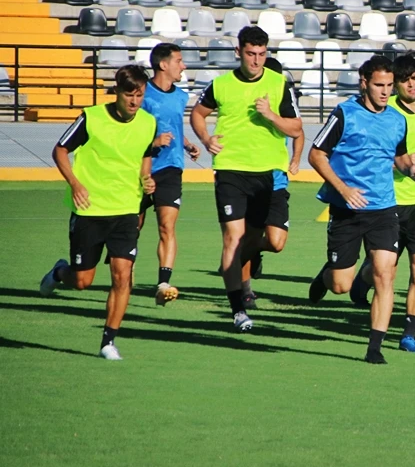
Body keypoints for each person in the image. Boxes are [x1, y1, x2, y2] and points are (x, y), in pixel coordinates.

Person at [306, 56, 415, 364]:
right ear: (364, 83)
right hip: (346, 209)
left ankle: (374, 348)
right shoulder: (345, 113)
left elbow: (396, 157)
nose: (385, 92)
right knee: (341, 285)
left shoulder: (398, 119)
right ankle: (326, 276)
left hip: (384, 208)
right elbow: (316, 155)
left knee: (385, 273)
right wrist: (343, 189)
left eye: (388, 86)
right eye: (378, 85)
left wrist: (409, 170)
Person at [189, 26, 303, 333]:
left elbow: (295, 128)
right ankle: (238, 309)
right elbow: (197, 114)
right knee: (233, 239)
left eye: (262, 54)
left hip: (268, 173)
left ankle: (245, 265)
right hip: (231, 170)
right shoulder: (221, 84)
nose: (256, 61)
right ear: (239, 52)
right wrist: (205, 138)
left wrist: (271, 116)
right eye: (251, 54)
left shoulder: (278, 84)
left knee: (267, 242)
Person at [39, 65, 157, 360]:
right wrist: (76, 184)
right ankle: (58, 272)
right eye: (129, 94)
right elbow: (60, 150)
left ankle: (108, 341)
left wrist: (147, 181)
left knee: (122, 276)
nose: (133, 101)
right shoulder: (90, 118)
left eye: (139, 95)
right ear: (117, 91)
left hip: (127, 211)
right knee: (82, 281)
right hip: (90, 210)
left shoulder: (148, 123)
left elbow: (144, 158)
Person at [348, 54, 415, 354]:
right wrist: (398, 165)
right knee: (384, 272)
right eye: (403, 80)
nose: (410, 84)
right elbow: (368, 158)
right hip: (385, 203)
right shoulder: (382, 112)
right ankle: (362, 280)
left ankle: (409, 333)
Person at [239, 57, 304, 309]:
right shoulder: (250, 106)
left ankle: (252, 250)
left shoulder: (283, 103)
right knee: (247, 234)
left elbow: (298, 131)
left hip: (276, 182)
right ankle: (245, 291)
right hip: (249, 181)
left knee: (276, 242)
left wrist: (296, 159)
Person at [139, 43, 199, 306]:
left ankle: (163, 283)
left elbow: (172, 125)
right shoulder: (142, 94)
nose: (183, 66)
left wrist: (186, 144)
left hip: (171, 168)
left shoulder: (181, 96)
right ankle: (122, 274)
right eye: (179, 61)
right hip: (140, 168)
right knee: (133, 227)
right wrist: (154, 143)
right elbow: (130, 133)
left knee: (167, 226)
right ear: (163, 65)